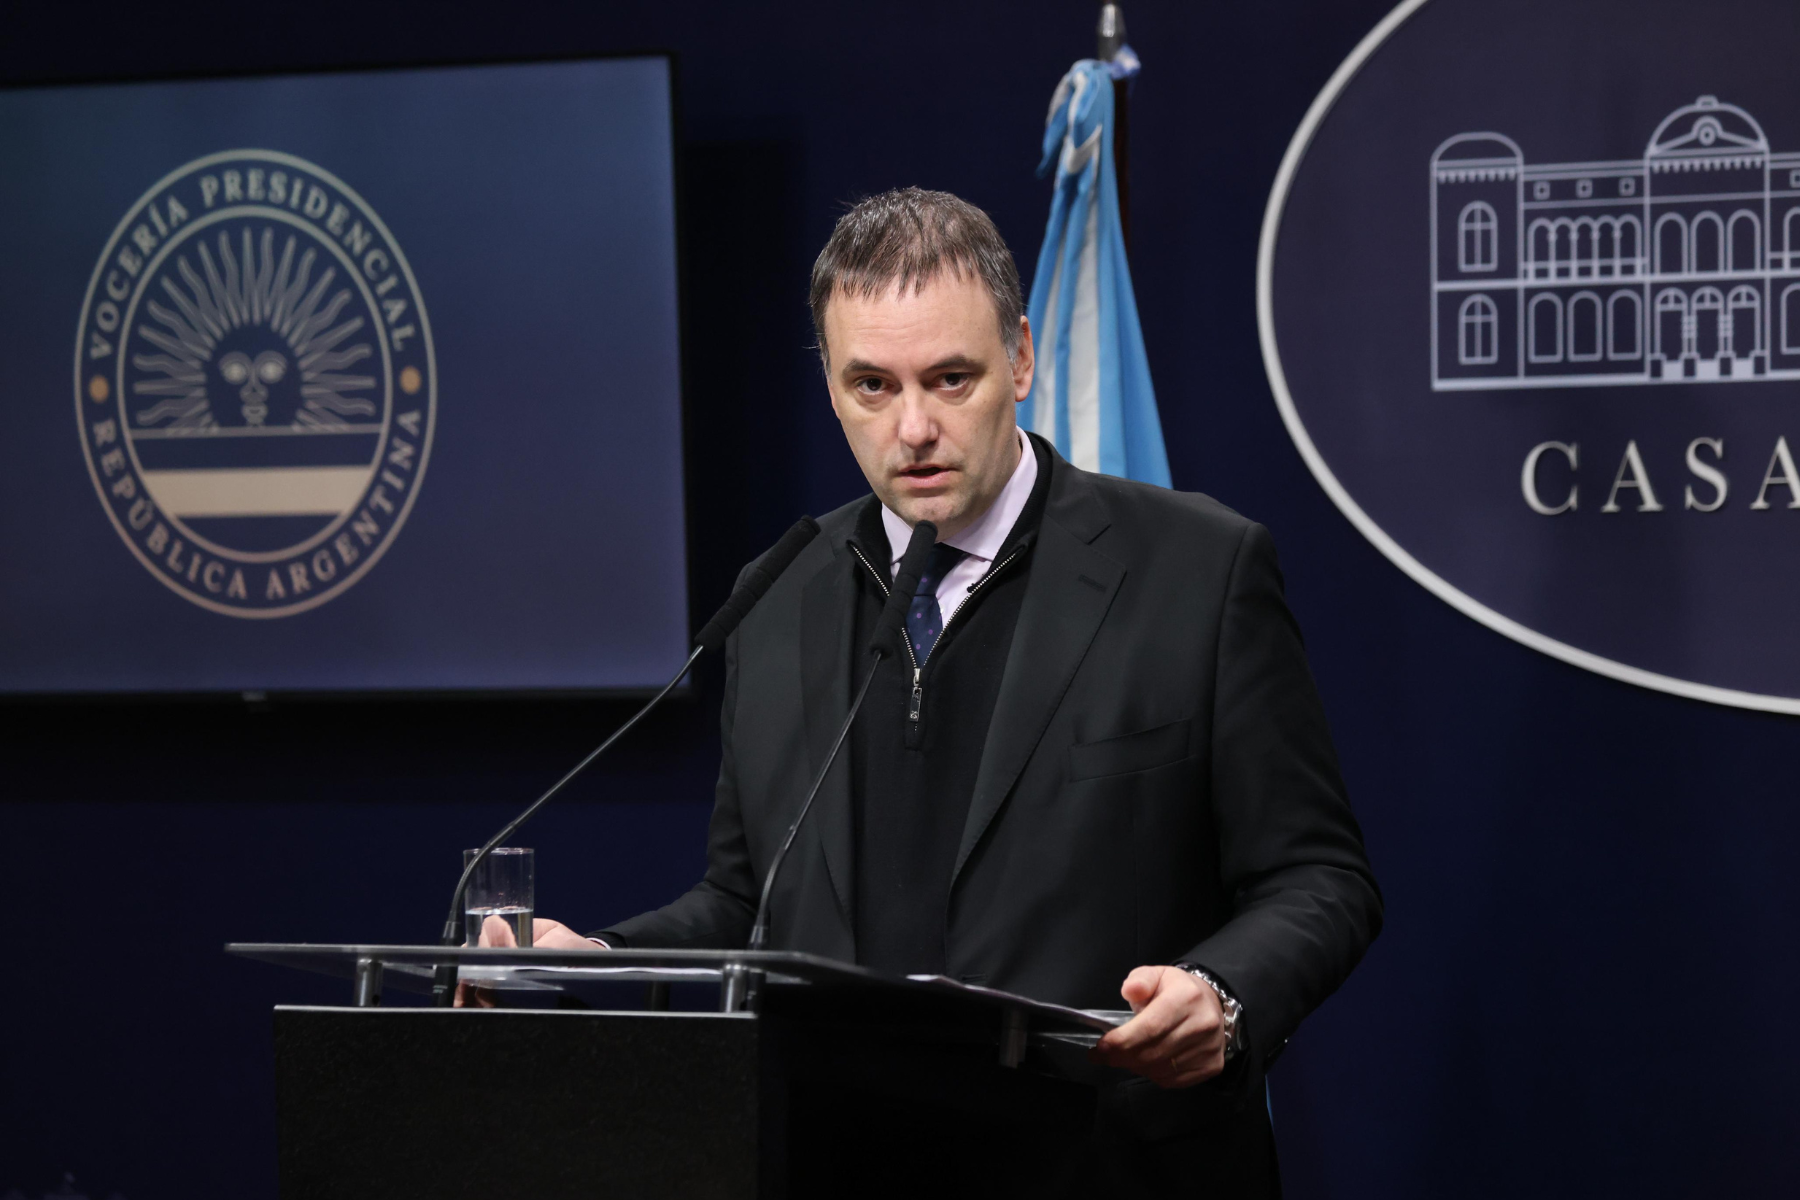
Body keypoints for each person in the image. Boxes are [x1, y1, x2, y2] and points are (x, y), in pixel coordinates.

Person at [490, 187, 1381, 1190]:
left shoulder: (1197, 570)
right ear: (830, 387)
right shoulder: (777, 595)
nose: (913, 427)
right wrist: (599, 954)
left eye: (950, 378)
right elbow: (748, 900)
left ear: (1025, 360)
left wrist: (1224, 991)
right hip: (838, 1159)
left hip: (1111, 1161)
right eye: (871, 385)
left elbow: (1321, 879)